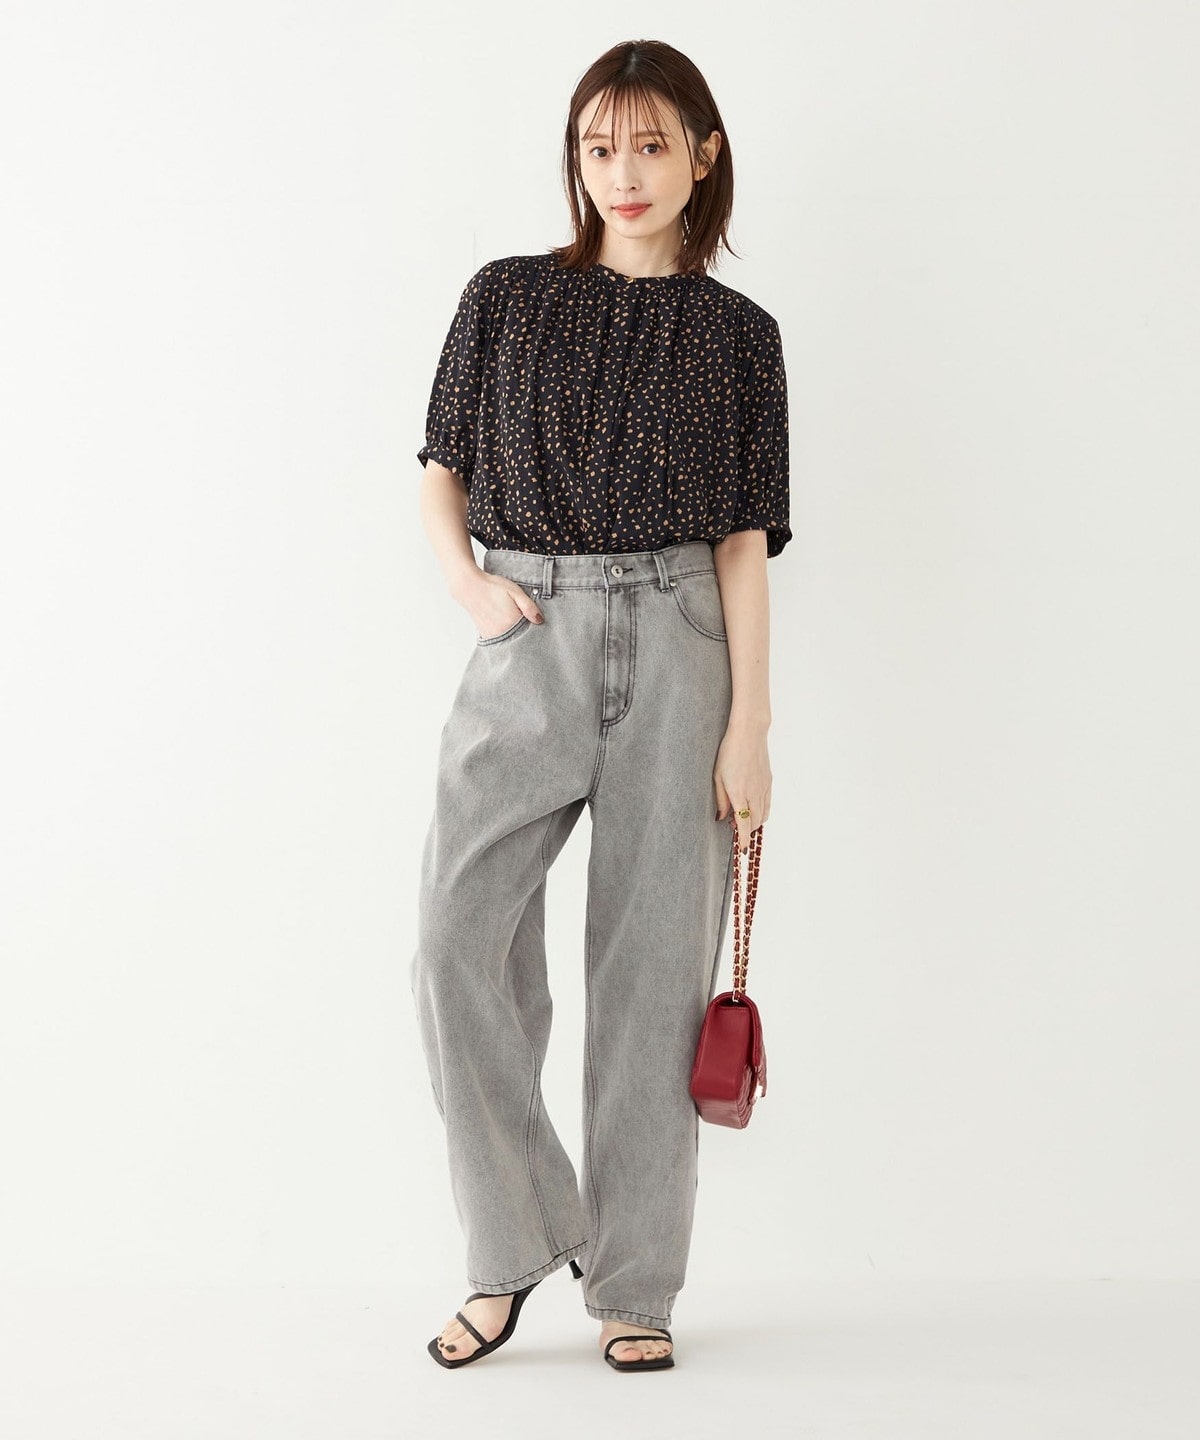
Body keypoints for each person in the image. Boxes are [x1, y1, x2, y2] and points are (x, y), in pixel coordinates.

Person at [410, 38, 791, 1372]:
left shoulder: (741, 337)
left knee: (650, 976)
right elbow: (442, 465)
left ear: (703, 153)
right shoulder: (506, 297)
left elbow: (744, 540)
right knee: (454, 938)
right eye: (596, 145)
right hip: (528, 631)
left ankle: (636, 1283)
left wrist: (750, 727)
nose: (621, 172)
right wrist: (469, 587)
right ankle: (516, 1240)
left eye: (649, 144)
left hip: (683, 642)